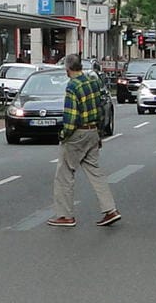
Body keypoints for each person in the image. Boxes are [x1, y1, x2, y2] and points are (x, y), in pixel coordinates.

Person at [49, 54, 119, 227]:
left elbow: (71, 117)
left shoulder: (72, 86)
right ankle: (110, 209)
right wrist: (99, 134)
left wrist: (64, 135)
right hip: (93, 131)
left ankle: (65, 215)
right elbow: (100, 109)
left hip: (78, 134)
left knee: (64, 173)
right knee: (95, 171)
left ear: (67, 69)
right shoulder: (92, 82)